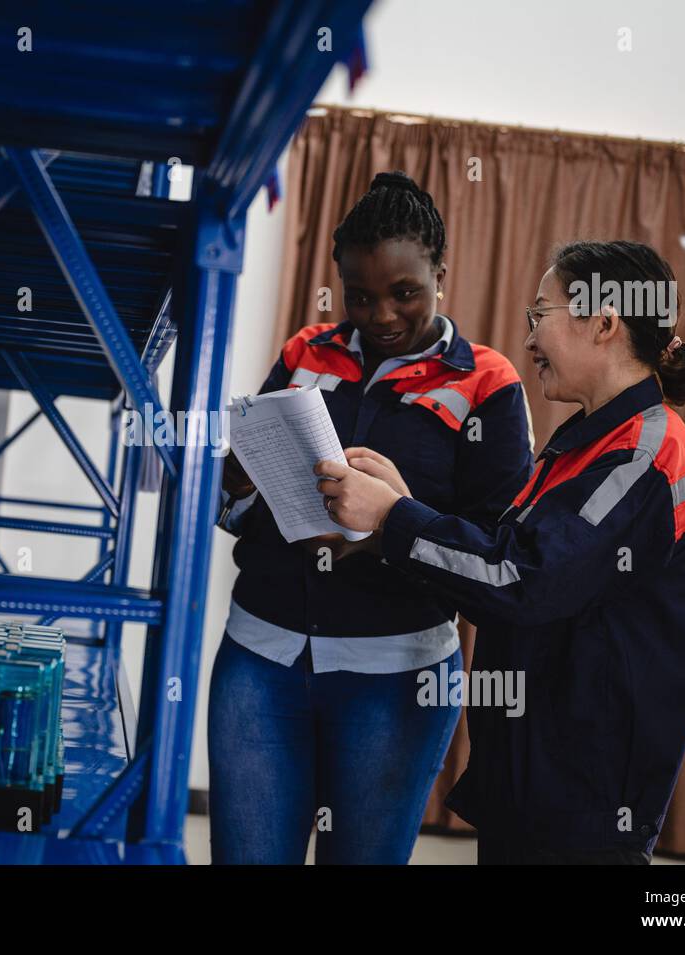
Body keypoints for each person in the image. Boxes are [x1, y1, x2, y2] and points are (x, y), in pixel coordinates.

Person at [316, 239, 685, 864]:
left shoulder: (644, 457)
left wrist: (392, 518)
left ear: (604, 323)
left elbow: (518, 579)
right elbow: (509, 555)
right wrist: (403, 508)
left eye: (541, 315)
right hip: (539, 779)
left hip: (584, 799)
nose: (529, 338)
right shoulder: (592, 440)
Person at [208, 171, 534, 864]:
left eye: (404, 292)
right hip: (259, 658)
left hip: (398, 678)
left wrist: (395, 522)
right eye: (359, 295)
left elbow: (498, 558)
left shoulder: (489, 383)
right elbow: (237, 512)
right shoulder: (306, 353)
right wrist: (235, 482)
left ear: (442, 274)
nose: (380, 314)